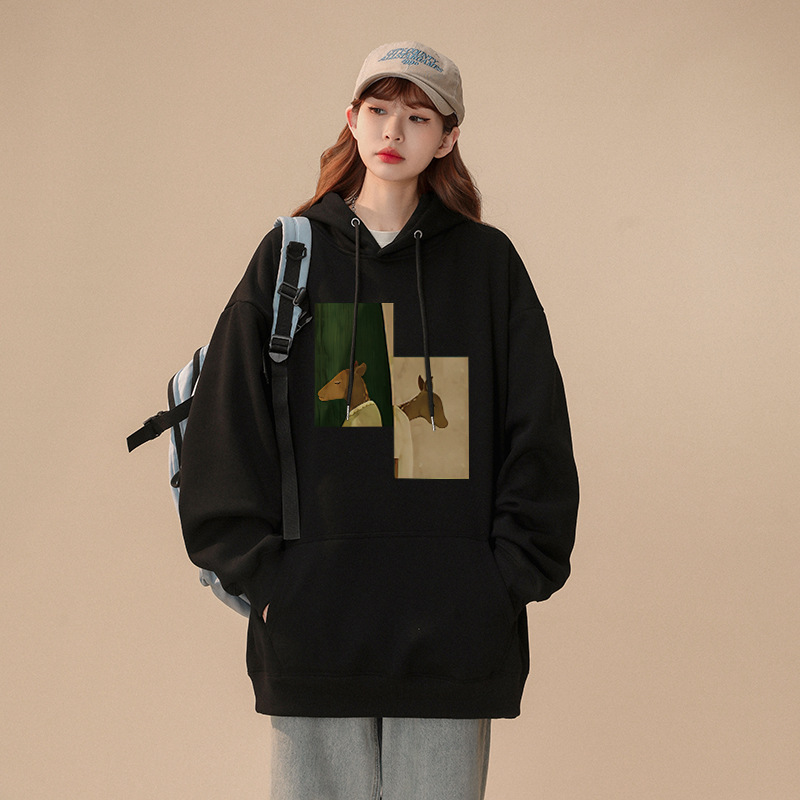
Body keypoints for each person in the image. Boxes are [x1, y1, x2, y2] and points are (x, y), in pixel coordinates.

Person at [179, 41, 579, 800]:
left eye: (418, 117)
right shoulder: (292, 258)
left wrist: (503, 580)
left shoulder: (487, 265)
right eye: (379, 110)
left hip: (454, 634)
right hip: (315, 628)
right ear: (353, 120)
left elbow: (537, 431)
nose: (394, 130)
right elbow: (227, 426)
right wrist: (268, 578)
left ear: (448, 138)